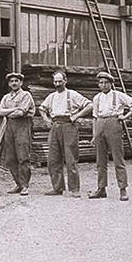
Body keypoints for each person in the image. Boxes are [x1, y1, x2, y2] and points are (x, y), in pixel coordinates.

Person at [88, 71, 132, 202]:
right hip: (100, 124)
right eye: (101, 83)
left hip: (114, 124)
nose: (103, 85)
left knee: (118, 159)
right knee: (100, 160)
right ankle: (101, 189)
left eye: (106, 83)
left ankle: (123, 189)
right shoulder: (96, 98)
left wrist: (125, 116)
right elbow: (95, 117)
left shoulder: (118, 96)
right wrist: (94, 135)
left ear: (111, 84)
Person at [39, 70, 92, 198]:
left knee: (70, 158)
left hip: (69, 125)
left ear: (65, 81)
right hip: (55, 126)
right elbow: (41, 108)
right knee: (53, 159)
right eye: (55, 81)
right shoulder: (51, 96)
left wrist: (77, 116)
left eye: (60, 81)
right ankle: (57, 188)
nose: (57, 84)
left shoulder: (72, 94)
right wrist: (46, 120)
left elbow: (89, 105)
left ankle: (74, 189)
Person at [0, 72, 36, 196]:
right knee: (10, 157)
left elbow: (20, 113)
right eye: (11, 81)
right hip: (9, 127)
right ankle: (18, 184)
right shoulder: (6, 97)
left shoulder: (26, 95)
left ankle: (25, 185)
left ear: (21, 83)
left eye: (16, 81)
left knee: (23, 156)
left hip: (22, 126)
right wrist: (13, 110)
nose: (14, 83)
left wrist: (7, 112)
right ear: (9, 83)